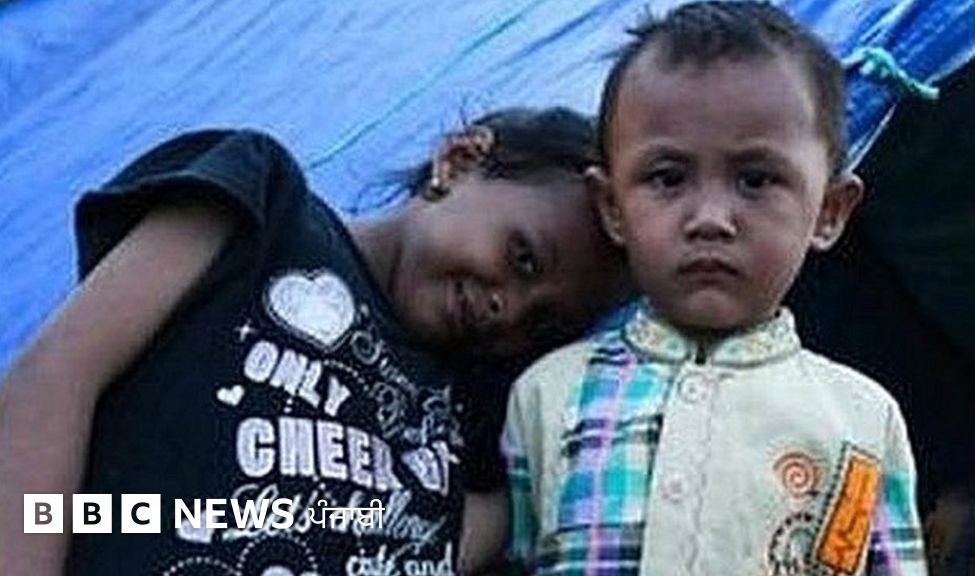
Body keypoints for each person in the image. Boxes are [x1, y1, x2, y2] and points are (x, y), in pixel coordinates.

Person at [0, 106, 631, 575]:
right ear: (459, 161)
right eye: (523, 258)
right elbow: (57, 378)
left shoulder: (458, 428)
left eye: (542, 325)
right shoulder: (265, 210)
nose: (508, 310)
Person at [502, 3, 928, 574]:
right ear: (612, 207)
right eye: (667, 178)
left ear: (829, 211)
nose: (709, 218)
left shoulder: (862, 420)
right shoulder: (547, 394)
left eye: (755, 180)